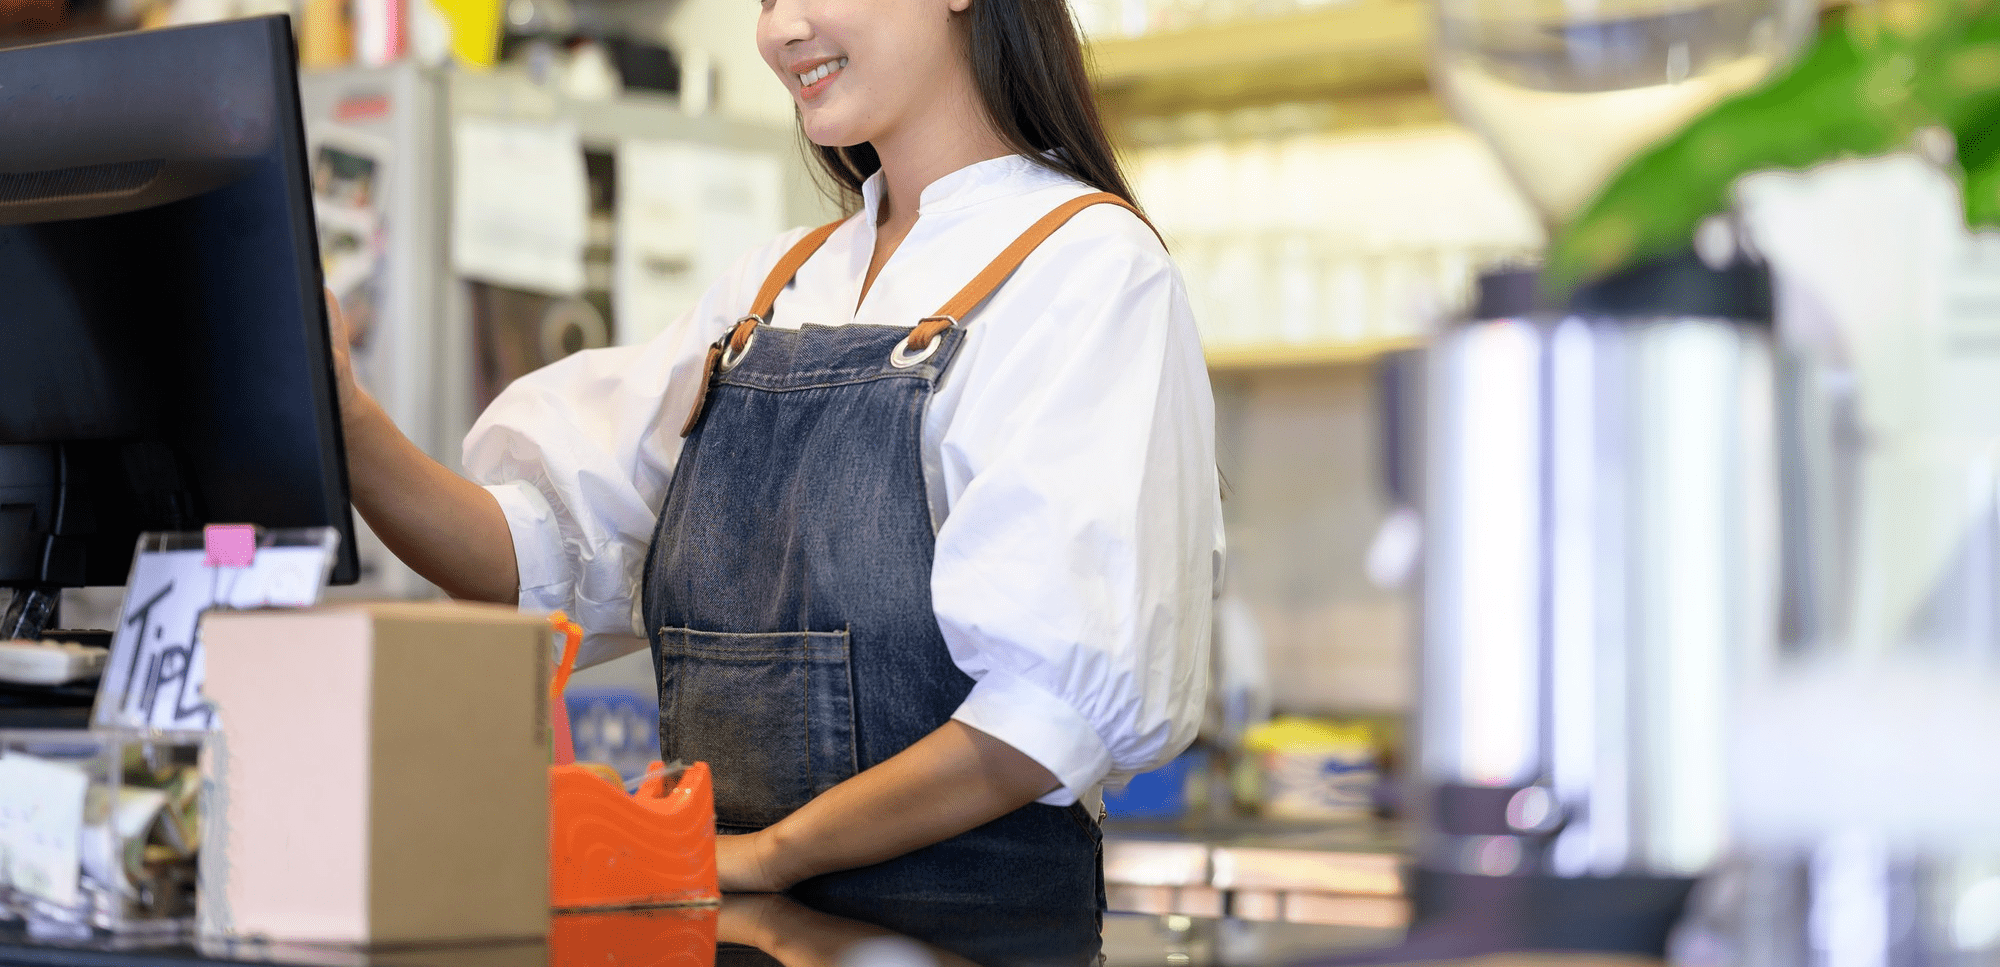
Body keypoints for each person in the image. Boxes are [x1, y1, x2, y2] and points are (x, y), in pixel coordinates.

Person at [329, 0, 1222, 910]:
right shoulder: (771, 291)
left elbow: (1043, 719)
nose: (779, 30)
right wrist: (346, 418)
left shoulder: (1090, 271)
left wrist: (766, 857)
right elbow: (531, 560)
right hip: (727, 924)